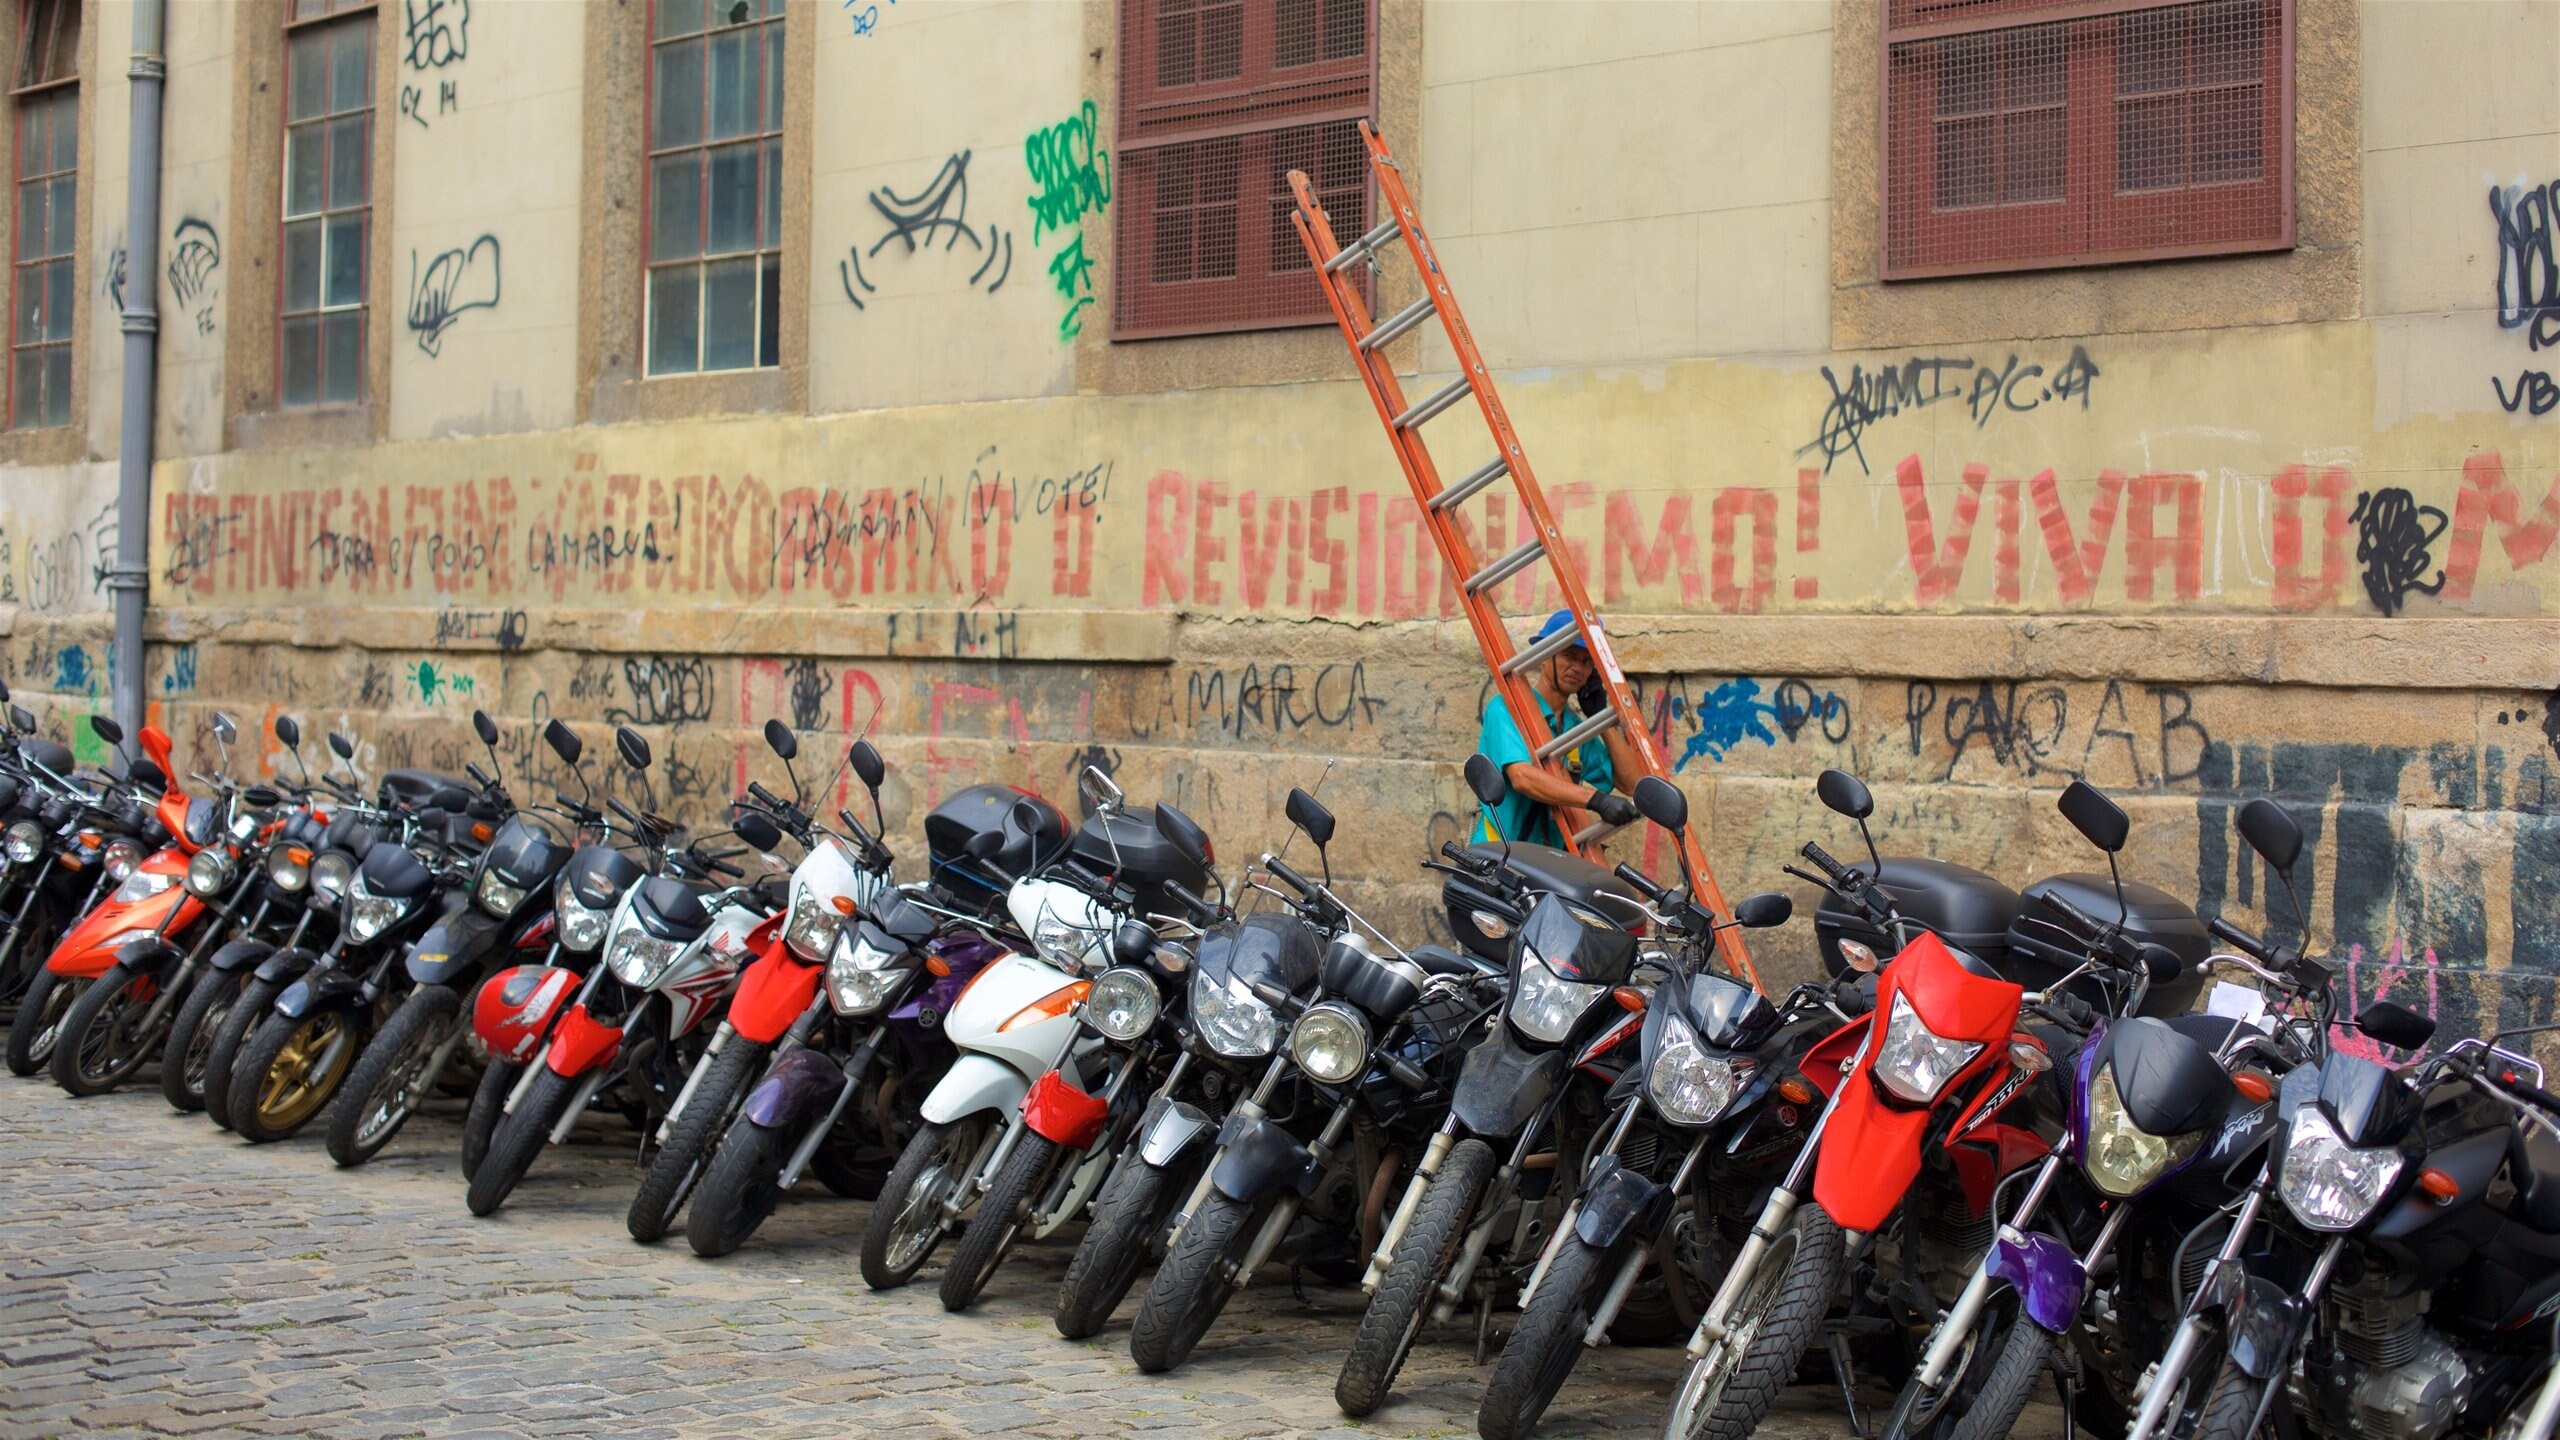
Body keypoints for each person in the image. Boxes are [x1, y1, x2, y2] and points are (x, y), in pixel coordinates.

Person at [1474, 611, 1643, 849]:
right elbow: (1522, 777)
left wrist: (1600, 719)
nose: (1578, 668)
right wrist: (1594, 800)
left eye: (1586, 662)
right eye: (1569, 656)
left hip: (1546, 867)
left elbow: (1632, 783)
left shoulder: (1574, 729)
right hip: (1498, 858)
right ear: (1544, 655)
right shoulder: (1506, 708)